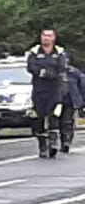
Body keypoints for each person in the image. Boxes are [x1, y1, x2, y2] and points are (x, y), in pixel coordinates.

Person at [28, 29, 70, 159]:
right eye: (44, 35)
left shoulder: (59, 52)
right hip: (39, 90)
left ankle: (53, 143)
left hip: (54, 90)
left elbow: (62, 67)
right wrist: (43, 73)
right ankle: (42, 146)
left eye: (49, 36)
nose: (46, 38)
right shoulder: (34, 52)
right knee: (38, 118)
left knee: (54, 116)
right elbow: (31, 67)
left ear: (54, 38)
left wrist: (53, 74)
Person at [65, 62, 85, 155]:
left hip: (70, 101)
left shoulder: (74, 72)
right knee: (56, 122)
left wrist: (82, 102)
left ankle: (66, 141)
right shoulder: (54, 71)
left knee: (68, 122)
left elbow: (82, 87)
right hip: (56, 100)